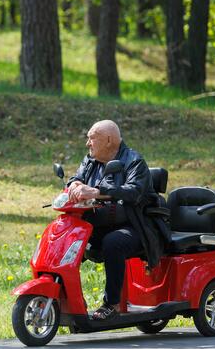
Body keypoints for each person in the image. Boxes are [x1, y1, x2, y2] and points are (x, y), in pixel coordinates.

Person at [67, 120, 167, 321]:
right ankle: (66, 298)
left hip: (135, 227)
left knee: (113, 243)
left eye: (91, 138)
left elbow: (133, 192)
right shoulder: (91, 160)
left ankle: (112, 304)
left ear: (109, 140)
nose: (88, 143)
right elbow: (75, 178)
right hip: (98, 224)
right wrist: (75, 184)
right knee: (69, 238)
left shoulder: (134, 161)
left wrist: (97, 191)